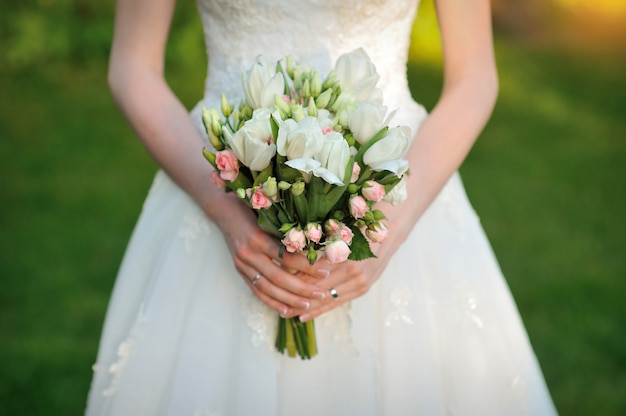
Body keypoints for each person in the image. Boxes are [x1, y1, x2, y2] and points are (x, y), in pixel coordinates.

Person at [86, 0, 558, 414]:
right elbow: (133, 66)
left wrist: (386, 229)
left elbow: (475, 78)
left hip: (397, 184)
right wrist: (229, 214)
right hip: (220, 181)